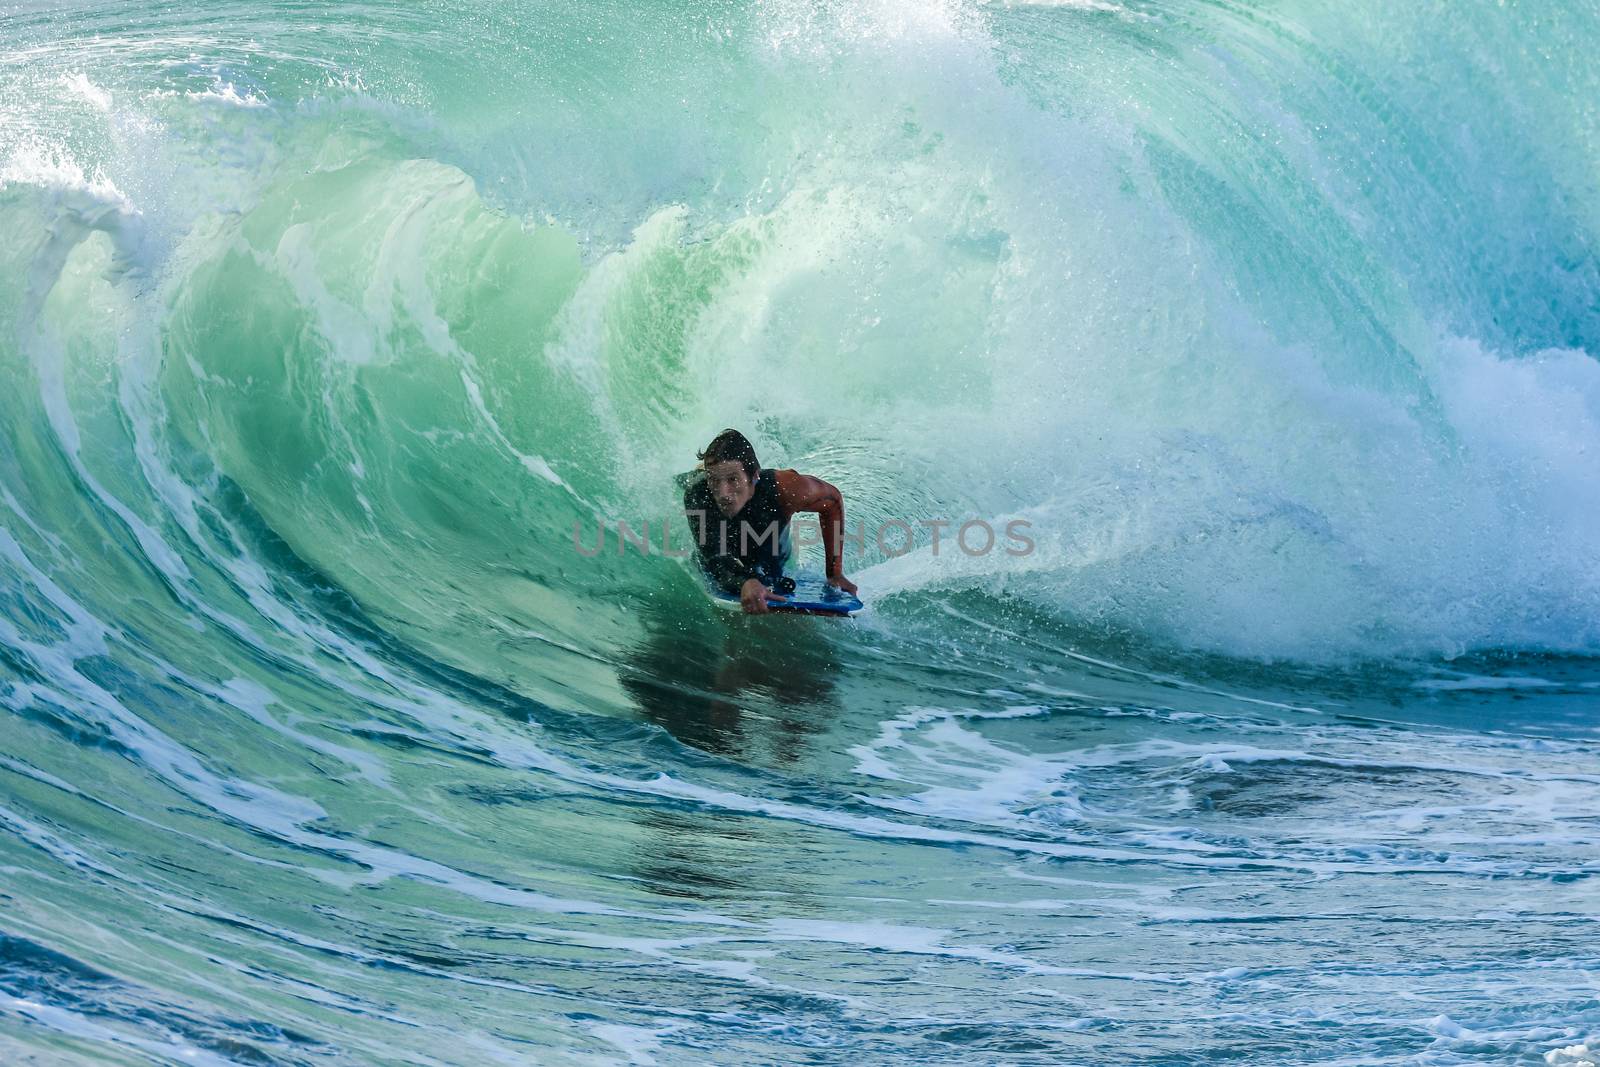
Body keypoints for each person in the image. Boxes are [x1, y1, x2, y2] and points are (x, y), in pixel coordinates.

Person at [681, 428, 859, 615]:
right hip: (726, 544)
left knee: (769, 568)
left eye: (733, 479)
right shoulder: (698, 494)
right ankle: (700, 471)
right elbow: (715, 557)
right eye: (714, 480)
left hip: (772, 547)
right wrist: (745, 583)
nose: (723, 493)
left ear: (754, 476)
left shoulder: (786, 488)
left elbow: (832, 502)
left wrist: (835, 574)